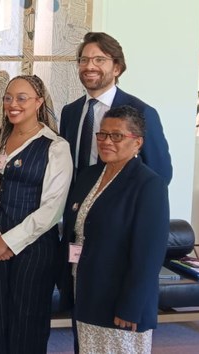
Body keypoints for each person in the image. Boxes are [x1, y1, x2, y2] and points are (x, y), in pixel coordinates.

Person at [0, 75, 73, 354]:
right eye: (8, 98)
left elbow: (53, 209)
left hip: (34, 249)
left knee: (26, 322)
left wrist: (9, 241)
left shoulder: (55, 146)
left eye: (21, 98)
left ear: (39, 102)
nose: (12, 104)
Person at [61, 105, 169, 354]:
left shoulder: (149, 185)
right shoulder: (89, 176)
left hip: (120, 301)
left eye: (117, 136)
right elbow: (75, 231)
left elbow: (148, 256)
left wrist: (131, 306)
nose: (106, 141)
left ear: (137, 143)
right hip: (86, 290)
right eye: (102, 134)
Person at [60, 32, 172, 184]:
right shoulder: (70, 112)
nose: (89, 66)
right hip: (76, 203)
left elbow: (160, 174)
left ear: (117, 68)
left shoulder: (142, 112)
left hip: (119, 204)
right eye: (84, 60)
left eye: (99, 60)